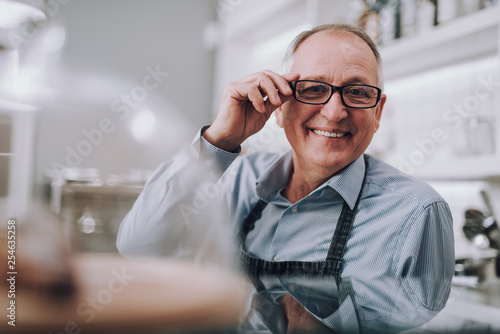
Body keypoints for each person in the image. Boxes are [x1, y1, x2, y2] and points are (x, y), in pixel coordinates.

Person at [116, 23, 454, 333]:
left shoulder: (417, 213)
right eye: (312, 88)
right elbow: (137, 246)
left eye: (358, 92)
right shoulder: (233, 177)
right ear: (279, 105)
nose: (334, 112)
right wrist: (218, 139)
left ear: (377, 112)